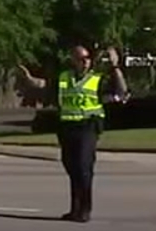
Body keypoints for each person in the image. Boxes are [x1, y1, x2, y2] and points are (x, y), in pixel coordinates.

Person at [16, 45, 129, 222]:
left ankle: (85, 210)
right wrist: (29, 79)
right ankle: (75, 209)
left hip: (88, 127)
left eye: (87, 58)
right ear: (73, 60)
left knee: (84, 168)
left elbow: (121, 91)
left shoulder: (97, 79)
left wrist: (115, 67)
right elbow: (46, 87)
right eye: (81, 58)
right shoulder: (64, 78)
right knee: (72, 168)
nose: (85, 61)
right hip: (67, 127)